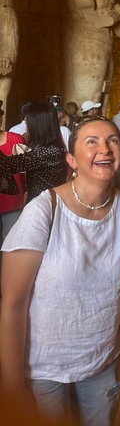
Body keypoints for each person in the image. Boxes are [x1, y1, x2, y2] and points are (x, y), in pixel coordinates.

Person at [0, 116, 120, 426]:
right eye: (92, 142)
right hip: (43, 369)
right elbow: (12, 304)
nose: (105, 148)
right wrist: (10, 387)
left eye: (113, 140)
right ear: (71, 159)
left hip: (102, 358)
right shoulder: (44, 211)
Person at [0, 102, 68, 203]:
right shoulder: (49, 149)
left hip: (46, 208)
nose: (25, 128)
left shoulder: (50, 152)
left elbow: (9, 163)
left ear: (38, 126)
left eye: (28, 124)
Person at [0, 100, 25, 288]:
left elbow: (26, 169)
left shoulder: (15, 139)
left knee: (11, 247)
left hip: (13, 203)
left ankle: (8, 286)